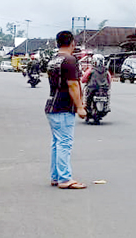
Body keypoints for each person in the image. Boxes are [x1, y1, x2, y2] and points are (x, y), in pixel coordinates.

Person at [45, 30, 87, 189]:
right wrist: (80, 107)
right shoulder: (70, 60)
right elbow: (73, 85)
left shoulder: (53, 60)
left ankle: (56, 176)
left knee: (57, 143)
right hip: (63, 107)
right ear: (72, 43)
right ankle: (64, 179)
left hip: (51, 105)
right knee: (64, 143)